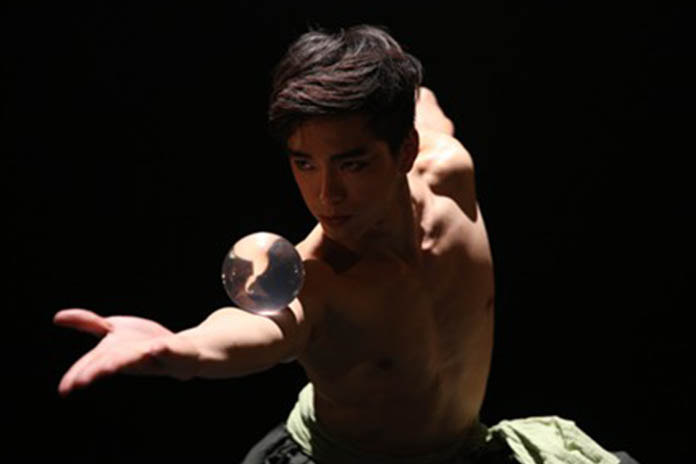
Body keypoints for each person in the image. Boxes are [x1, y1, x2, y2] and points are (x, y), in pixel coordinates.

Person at [54, 25, 638, 464]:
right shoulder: (318, 277)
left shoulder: (448, 169)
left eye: (352, 164)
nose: (326, 195)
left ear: (405, 151)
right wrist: (181, 349)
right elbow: (259, 329)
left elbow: (423, 106)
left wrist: (381, 71)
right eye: (304, 163)